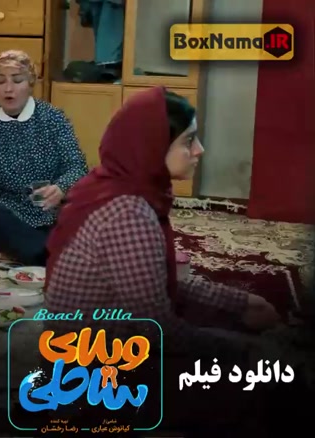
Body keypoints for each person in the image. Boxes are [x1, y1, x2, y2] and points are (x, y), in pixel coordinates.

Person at [42, 86, 285, 434]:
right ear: (152, 147)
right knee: (262, 371)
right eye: (188, 141)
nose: (199, 150)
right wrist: (238, 349)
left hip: (88, 352)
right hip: (95, 376)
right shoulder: (128, 212)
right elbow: (155, 329)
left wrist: (241, 303)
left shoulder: (112, 183)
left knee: (232, 327)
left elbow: (155, 281)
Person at [0, 50, 88, 266]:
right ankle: (50, 256)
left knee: (84, 217)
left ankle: (8, 252)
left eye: (17, 81)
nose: (9, 89)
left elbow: (78, 167)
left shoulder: (54, 119)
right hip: (5, 215)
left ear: (30, 84)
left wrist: (61, 188)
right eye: (1, 81)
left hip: (48, 214)